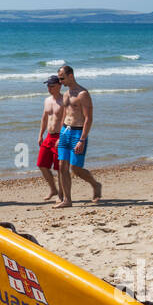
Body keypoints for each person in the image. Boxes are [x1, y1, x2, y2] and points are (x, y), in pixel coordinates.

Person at [56, 64, 102, 207]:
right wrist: (60, 135)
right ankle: (67, 200)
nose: (60, 82)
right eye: (59, 79)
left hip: (78, 132)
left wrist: (82, 139)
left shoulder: (83, 94)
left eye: (62, 78)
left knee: (75, 169)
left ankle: (95, 185)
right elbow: (65, 114)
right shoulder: (66, 94)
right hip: (65, 131)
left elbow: (88, 118)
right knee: (62, 166)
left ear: (71, 76)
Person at [37, 75, 64, 201]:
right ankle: (53, 189)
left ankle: (61, 195)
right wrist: (40, 134)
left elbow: (68, 121)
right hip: (49, 136)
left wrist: (62, 137)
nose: (49, 88)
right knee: (42, 164)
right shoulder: (47, 100)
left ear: (59, 85)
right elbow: (44, 118)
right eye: (48, 86)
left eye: (52, 86)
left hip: (60, 136)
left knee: (60, 168)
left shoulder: (65, 100)